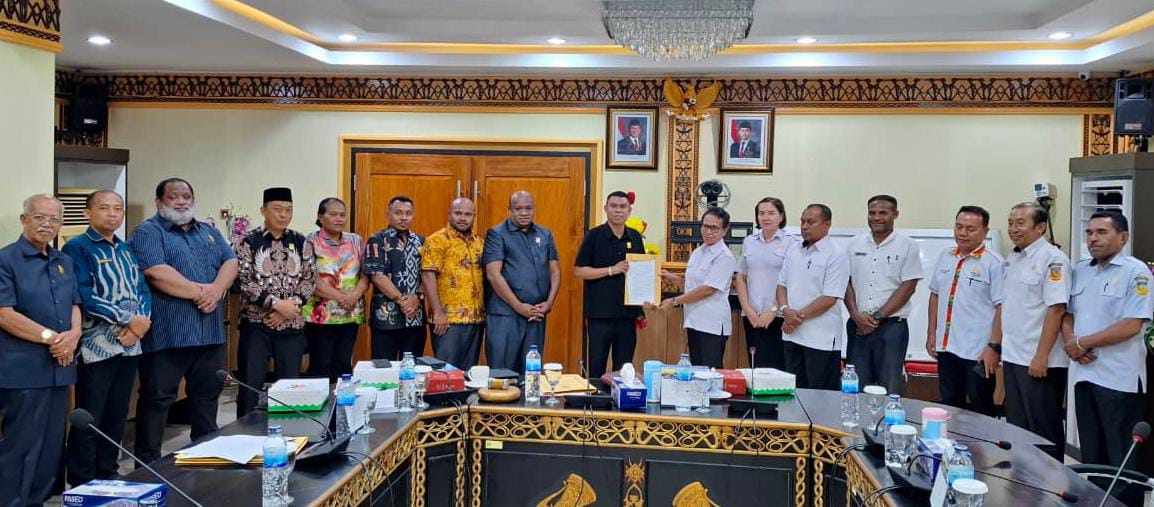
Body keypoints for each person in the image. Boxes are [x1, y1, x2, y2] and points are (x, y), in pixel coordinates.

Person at [129, 178, 237, 465]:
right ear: (158, 202)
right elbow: (155, 272)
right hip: (168, 335)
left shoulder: (209, 232)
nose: (181, 201)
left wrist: (216, 290)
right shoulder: (147, 232)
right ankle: (147, 465)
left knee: (207, 397)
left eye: (186, 196)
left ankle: (205, 457)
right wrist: (202, 294)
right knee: (157, 400)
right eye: (173, 196)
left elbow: (231, 262)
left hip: (210, 334)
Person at [63, 190, 152, 487]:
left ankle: (107, 471)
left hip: (130, 345)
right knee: (91, 414)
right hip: (97, 346)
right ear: (88, 213)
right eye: (104, 208)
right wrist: (128, 319)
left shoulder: (125, 249)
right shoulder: (78, 247)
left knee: (117, 412)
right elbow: (84, 296)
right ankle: (83, 478)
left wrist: (139, 325)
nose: (112, 214)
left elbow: (142, 290)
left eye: (117, 209)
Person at [0, 195, 81, 505]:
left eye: (54, 219)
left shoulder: (63, 261)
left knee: (51, 447)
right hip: (24, 370)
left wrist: (73, 335)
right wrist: (54, 339)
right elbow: (5, 314)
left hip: (60, 367)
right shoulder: (6, 260)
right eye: (39, 217)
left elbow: (74, 304)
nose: (47, 224)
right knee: (22, 447)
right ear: (24, 220)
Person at [1063, 211, 1151, 469]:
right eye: (1089, 232)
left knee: (1120, 457)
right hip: (1083, 375)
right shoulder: (1081, 269)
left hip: (1118, 379)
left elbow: (1132, 325)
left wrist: (1082, 343)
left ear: (1123, 237)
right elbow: (1067, 314)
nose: (1093, 238)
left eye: (1102, 232)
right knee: (1092, 454)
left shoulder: (1136, 272)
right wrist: (1072, 343)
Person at [235, 187, 316, 418]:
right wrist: (276, 304)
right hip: (257, 325)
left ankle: (288, 432)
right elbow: (244, 280)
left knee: (289, 389)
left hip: (291, 325)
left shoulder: (301, 241)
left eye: (288, 210)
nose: (283, 215)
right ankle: (246, 432)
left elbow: (310, 279)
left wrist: (290, 307)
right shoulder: (248, 241)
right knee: (250, 385)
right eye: (277, 209)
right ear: (263, 211)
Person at [999, 202, 1070, 458]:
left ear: (1040, 228)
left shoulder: (1053, 259)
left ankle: (1051, 481)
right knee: (1018, 426)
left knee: (1043, 429)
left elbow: (1057, 309)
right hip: (1014, 355)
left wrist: (1041, 356)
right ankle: (1022, 477)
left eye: (1020, 223)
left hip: (1039, 360)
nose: (1013, 229)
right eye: (1010, 223)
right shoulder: (1014, 257)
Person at [926, 206, 1004, 417]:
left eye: (970, 229)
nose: (963, 233)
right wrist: (931, 333)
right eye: (959, 227)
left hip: (978, 352)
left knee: (981, 407)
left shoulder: (994, 263)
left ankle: (984, 441)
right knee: (949, 405)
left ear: (985, 232)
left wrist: (993, 347)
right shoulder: (945, 256)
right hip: (946, 347)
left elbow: (1002, 308)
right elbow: (935, 295)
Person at [844, 195, 922, 395]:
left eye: (883, 213)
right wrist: (855, 315)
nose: (877, 217)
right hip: (858, 326)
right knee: (856, 387)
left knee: (889, 388)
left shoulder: (908, 245)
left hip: (891, 328)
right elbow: (846, 282)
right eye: (872, 213)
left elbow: (908, 286)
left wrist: (877, 317)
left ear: (895, 214)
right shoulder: (854, 244)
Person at [483, 191, 560, 374]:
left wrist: (548, 303)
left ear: (534, 209)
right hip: (505, 315)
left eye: (528, 208)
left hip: (536, 314)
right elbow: (493, 275)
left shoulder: (545, 234)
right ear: (509, 210)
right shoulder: (497, 234)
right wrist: (519, 306)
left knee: (530, 373)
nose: (524, 213)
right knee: (503, 373)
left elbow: (555, 271)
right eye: (518, 209)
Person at [777, 204, 850, 390]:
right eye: (802, 221)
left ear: (827, 224)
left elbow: (829, 298)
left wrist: (794, 319)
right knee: (794, 392)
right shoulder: (794, 250)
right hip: (792, 335)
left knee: (820, 395)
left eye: (811, 222)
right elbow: (781, 285)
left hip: (820, 339)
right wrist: (785, 310)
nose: (804, 226)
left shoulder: (836, 254)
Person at [574, 191, 645, 377]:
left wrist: (646, 299)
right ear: (606, 209)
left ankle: (621, 397)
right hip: (600, 315)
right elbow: (579, 271)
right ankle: (594, 396)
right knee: (596, 366)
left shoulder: (635, 237)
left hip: (627, 315)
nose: (618, 211)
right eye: (614, 206)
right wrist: (612, 270)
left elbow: (642, 272)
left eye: (623, 207)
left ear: (629, 211)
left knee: (624, 369)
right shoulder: (594, 235)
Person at [656, 208, 736, 369]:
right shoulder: (698, 251)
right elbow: (691, 286)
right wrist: (671, 277)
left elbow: (707, 290)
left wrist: (674, 301)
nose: (708, 232)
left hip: (711, 324)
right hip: (694, 320)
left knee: (710, 371)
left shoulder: (724, 256)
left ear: (725, 230)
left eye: (714, 228)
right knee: (696, 370)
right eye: (705, 226)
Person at [302, 197, 367, 382]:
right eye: (333, 214)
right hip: (321, 315)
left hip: (350, 313)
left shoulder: (355, 240)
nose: (339, 219)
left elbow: (366, 274)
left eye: (342, 215)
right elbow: (310, 278)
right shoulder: (311, 241)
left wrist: (355, 295)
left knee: (344, 365)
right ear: (320, 217)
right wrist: (341, 297)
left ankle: (343, 400)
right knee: (320, 366)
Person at [421, 198, 486, 369]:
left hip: (475, 319)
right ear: (450, 214)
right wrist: (438, 312)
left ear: (474, 216)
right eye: (458, 213)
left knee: (469, 373)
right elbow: (428, 276)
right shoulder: (437, 240)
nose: (463, 218)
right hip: (447, 320)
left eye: (468, 214)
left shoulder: (480, 243)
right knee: (446, 372)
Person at [735, 197, 796, 369]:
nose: (766, 217)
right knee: (755, 366)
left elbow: (792, 281)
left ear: (781, 216)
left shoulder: (791, 243)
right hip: (752, 315)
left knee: (776, 368)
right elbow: (740, 277)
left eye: (771, 213)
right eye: (761, 213)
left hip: (778, 316)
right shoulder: (749, 241)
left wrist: (774, 310)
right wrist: (748, 310)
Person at [365, 195, 426, 361]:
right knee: (384, 368)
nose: (404, 218)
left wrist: (418, 297)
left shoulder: (422, 242)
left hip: (415, 317)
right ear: (388, 214)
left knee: (413, 368)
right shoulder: (377, 240)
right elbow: (377, 276)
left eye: (408, 213)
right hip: (386, 319)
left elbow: (428, 274)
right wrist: (402, 300)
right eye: (398, 213)